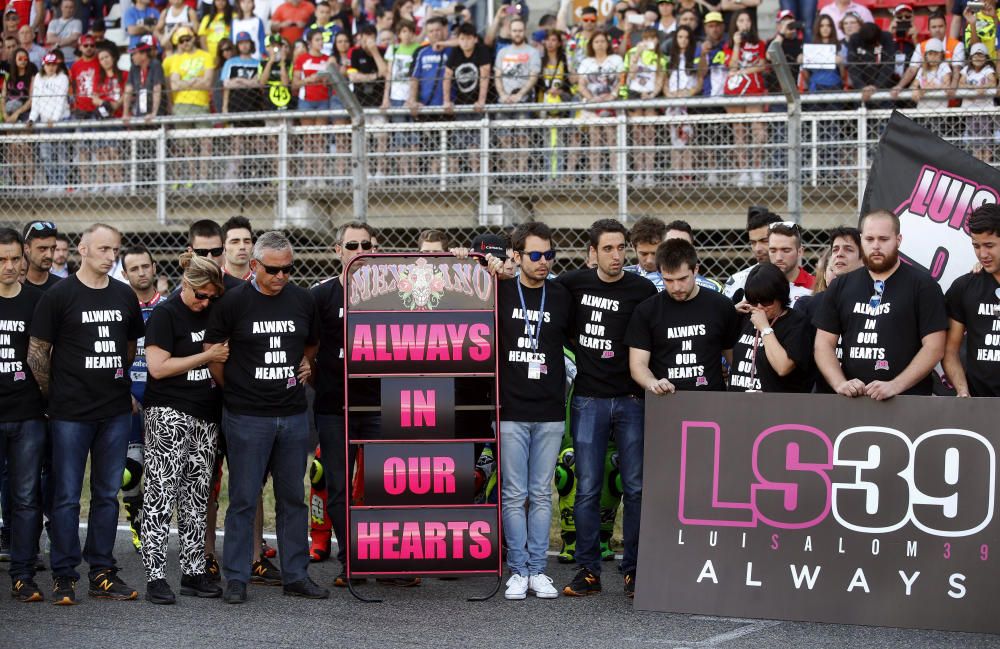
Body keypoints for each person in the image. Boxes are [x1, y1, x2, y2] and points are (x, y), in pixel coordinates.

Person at [204, 231, 327, 604]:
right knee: (243, 497)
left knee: (293, 498)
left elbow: (311, 344)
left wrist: (306, 364)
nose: (282, 277)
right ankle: (238, 578)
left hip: (291, 414)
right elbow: (213, 353)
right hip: (246, 415)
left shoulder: (302, 299)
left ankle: (296, 575)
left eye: (289, 269)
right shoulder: (233, 301)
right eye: (274, 270)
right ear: (255, 266)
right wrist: (238, 391)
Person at [27, 223, 145, 605]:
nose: (111, 256)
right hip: (70, 414)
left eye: (116, 250)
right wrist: (53, 396)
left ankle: (101, 571)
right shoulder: (59, 296)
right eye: (104, 249)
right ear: (82, 248)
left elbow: (128, 346)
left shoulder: (124, 295)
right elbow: (38, 353)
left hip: (113, 411)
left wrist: (116, 384)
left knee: (107, 495)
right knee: (65, 497)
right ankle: (64, 574)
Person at [555, 219, 656, 599]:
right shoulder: (572, 284)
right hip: (588, 399)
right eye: (609, 249)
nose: (617, 256)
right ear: (591, 253)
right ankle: (588, 569)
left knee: (635, 488)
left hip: (631, 399)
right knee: (587, 488)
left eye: (621, 249)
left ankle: (634, 570)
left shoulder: (642, 289)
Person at [482, 221, 571, 600]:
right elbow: (457, 280)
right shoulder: (498, 290)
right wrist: (483, 263)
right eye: (534, 255)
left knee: (541, 492)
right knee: (515, 493)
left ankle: (538, 569)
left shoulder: (563, 295)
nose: (543, 262)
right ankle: (518, 569)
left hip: (550, 410)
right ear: (515, 257)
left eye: (549, 255)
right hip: (511, 409)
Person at [311, 221, 398, 586]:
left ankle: (386, 561)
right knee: (338, 486)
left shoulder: (394, 292)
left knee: (386, 486)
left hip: (381, 405)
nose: (359, 251)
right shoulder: (320, 296)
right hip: (335, 407)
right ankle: (353, 561)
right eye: (351, 245)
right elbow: (307, 349)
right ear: (337, 250)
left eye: (366, 245)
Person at [140, 252, 228, 604]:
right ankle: (155, 576)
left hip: (205, 414)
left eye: (211, 296)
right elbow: (158, 367)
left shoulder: (214, 311)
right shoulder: (165, 314)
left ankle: (193, 571)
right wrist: (207, 357)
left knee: (196, 497)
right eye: (200, 294)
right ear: (185, 285)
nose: (205, 302)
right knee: (161, 495)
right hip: (168, 411)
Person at [813, 210, 948, 399]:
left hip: (908, 401)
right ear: (861, 240)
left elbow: (934, 347)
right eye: (869, 239)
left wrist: (895, 386)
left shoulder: (923, 285)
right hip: (853, 401)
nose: (876, 246)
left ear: (898, 240)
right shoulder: (840, 286)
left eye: (883, 239)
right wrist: (840, 383)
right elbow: (823, 344)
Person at [626, 238, 739, 397]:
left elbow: (734, 358)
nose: (676, 287)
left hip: (712, 401)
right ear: (660, 274)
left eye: (682, 279)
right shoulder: (647, 310)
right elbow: (638, 364)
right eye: (669, 280)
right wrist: (653, 383)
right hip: (665, 401)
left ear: (695, 270)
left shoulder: (720, 305)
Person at [0, 228, 46, 602]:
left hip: (28, 413)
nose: (10, 267)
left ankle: (23, 573)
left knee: (27, 497)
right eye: (1, 260)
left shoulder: (37, 301)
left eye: (16, 258)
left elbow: (47, 357)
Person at [120, 245, 165, 554]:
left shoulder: (169, 305)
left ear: (153, 267)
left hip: (163, 398)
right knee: (130, 472)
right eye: (134, 269)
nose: (141, 273)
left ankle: (156, 529)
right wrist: (123, 390)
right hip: (129, 400)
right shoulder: (119, 306)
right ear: (125, 274)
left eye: (145, 266)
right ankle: (138, 524)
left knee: (161, 473)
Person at [727, 263, 813, 392]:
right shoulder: (746, 316)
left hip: (775, 406)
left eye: (766, 301)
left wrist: (765, 329)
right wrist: (731, 312)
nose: (760, 307)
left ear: (780, 296)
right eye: (754, 301)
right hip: (739, 403)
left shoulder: (797, 322)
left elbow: (783, 367)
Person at [943, 204, 1000, 397]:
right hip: (980, 405)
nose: (982, 254)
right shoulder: (964, 287)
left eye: (989, 245)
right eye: (976, 246)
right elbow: (950, 351)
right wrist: (962, 390)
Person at [162, 27, 214, 184]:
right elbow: (174, 85)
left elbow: (207, 83)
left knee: (206, 143)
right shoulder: (176, 59)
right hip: (181, 105)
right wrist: (195, 81)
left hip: (201, 103)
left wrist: (186, 82)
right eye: (181, 40)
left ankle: (204, 178)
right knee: (187, 144)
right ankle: (192, 177)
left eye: (188, 39)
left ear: (194, 38)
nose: (185, 43)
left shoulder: (206, 56)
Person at [723, 10, 767, 188]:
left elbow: (762, 65)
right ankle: (743, 170)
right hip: (735, 89)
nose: (744, 24)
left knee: (758, 131)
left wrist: (743, 70)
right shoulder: (729, 45)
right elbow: (731, 65)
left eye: (747, 20)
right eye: (741, 20)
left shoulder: (760, 43)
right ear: (735, 24)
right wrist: (736, 45)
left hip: (754, 88)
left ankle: (756, 167)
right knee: (739, 131)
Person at [494, 17, 540, 177]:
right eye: (515, 31)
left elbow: (533, 77)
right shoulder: (502, 52)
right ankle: (508, 173)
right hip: (503, 102)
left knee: (522, 138)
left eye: (520, 30)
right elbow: (497, 76)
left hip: (523, 102)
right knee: (504, 140)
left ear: (525, 31)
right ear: (509, 32)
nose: (517, 33)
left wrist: (520, 95)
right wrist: (503, 95)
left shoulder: (532, 52)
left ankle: (522, 173)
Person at [442, 22, 490, 175]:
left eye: (468, 39)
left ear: (475, 39)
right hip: (461, 102)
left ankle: (479, 175)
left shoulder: (481, 51)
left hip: (479, 102)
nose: (465, 42)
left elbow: (485, 76)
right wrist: (446, 100)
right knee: (460, 142)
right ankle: (460, 176)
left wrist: (481, 100)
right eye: (462, 39)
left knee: (478, 142)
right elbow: (447, 77)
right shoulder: (455, 53)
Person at [575, 29, 622, 183]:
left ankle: (616, 176)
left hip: (611, 104)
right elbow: (581, 85)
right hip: (592, 106)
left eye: (602, 41)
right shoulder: (586, 62)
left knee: (612, 140)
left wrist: (612, 96)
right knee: (594, 140)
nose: (600, 44)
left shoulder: (615, 59)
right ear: (592, 45)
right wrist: (592, 99)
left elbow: (622, 80)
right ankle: (594, 176)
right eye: (596, 42)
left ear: (607, 43)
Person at [623, 27, 665, 185]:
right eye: (646, 38)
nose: (650, 42)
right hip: (634, 94)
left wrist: (652, 94)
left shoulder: (660, 57)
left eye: (653, 38)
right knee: (637, 136)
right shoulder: (632, 53)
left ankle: (650, 173)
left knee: (649, 135)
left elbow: (660, 79)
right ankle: (639, 173)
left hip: (649, 97)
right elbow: (629, 77)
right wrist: (638, 54)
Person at [891, 12, 965, 99]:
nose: (937, 29)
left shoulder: (956, 45)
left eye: (940, 26)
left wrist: (952, 88)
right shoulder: (921, 46)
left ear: (946, 27)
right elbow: (912, 69)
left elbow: (957, 70)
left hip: (947, 94)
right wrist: (899, 86)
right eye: (934, 27)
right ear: (929, 29)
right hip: (924, 94)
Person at [28, 53, 71, 190]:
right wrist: (32, 118)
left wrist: (55, 118)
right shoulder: (39, 78)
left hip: (60, 120)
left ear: (57, 65)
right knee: (47, 155)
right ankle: (52, 183)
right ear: (43, 65)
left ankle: (61, 184)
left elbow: (61, 99)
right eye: (48, 64)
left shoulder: (63, 77)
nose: (51, 67)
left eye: (53, 64)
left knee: (61, 153)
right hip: (44, 121)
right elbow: (36, 100)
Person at [723, 206, 782, 302]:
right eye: (753, 243)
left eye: (764, 241)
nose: (757, 249)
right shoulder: (737, 281)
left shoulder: (810, 283)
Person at [664, 26, 697, 184]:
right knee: (674, 140)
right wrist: (670, 94)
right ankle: (676, 173)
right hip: (673, 103)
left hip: (687, 104)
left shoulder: (695, 58)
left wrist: (688, 92)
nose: (683, 40)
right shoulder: (670, 60)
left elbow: (699, 81)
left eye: (686, 37)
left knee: (687, 139)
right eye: (680, 37)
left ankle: (688, 174)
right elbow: (664, 80)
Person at [958, 43, 996, 163]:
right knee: (974, 135)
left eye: (981, 55)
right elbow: (961, 83)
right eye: (975, 55)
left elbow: (993, 82)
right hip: (971, 109)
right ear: (970, 57)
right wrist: (973, 88)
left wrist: (983, 88)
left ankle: (987, 160)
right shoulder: (967, 70)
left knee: (985, 135)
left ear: (986, 57)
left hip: (985, 108)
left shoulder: (988, 70)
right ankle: (978, 159)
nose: (978, 58)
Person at [766, 221, 815, 307]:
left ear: (800, 252)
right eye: (773, 250)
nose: (778, 258)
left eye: (786, 250)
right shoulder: (757, 284)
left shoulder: (816, 286)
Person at [847, 22, 896, 105]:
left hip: (884, 88)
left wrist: (876, 86)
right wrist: (862, 86)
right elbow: (853, 67)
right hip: (861, 89)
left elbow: (889, 65)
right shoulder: (854, 39)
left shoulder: (886, 37)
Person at [122, 35, 165, 123]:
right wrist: (125, 113)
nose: (132, 57)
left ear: (144, 55)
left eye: (134, 54)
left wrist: (154, 113)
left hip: (157, 112)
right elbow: (128, 90)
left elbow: (157, 88)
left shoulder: (155, 65)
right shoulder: (134, 67)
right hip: (140, 112)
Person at [908, 38, 952, 110]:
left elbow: (946, 84)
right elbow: (914, 84)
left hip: (940, 107)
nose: (933, 57)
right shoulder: (922, 70)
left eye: (936, 54)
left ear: (941, 55)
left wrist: (931, 88)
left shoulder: (943, 66)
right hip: (923, 108)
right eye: (930, 54)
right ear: (926, 55)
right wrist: (915, 89)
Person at [21, 220, 61, 292]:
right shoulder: (14, 287)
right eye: (42, 249)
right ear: (26, 248)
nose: (49, 255)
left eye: (52, 248)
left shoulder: (61, 287)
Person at [46, 0, 82, 65]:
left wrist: (57, 45)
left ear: (74, 9)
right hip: (55, 60)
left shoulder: (77, 22)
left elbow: (75, 38)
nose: (68, 10)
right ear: (61, 7)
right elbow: (50, 39)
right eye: (66, 7)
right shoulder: (53, 22)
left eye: (71, 7)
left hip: (71, 59)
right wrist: (69, 42)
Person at [221, 216, 254, 280]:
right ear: (223, 248)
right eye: (235, 242)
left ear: (252, 247)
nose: (242, 247)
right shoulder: (213, 282)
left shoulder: (262, 284)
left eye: (247, 242)